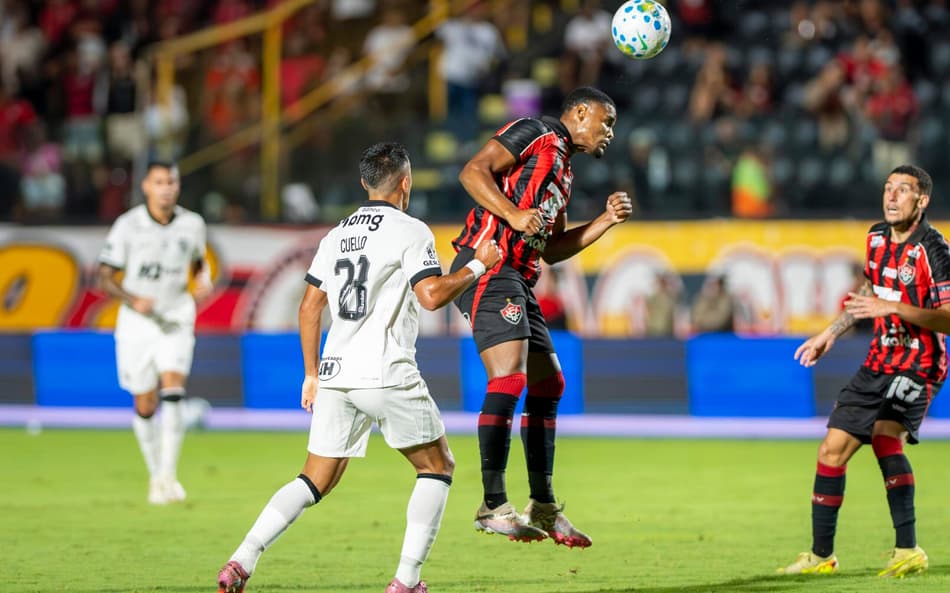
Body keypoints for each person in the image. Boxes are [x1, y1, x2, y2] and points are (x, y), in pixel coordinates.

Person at [216, 142, 503, 593]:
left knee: (314, 479)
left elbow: (310, 307)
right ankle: (407, 581)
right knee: (437, 466)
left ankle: (240, 560)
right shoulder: (410, 231)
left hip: (335, 372)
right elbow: (430, 297)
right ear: (405, 183)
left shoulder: (336, 235)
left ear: (364, 183)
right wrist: (477, 266)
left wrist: (311, 374)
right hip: (385, 369)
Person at [448, 86, 633, 547]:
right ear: (581, 112)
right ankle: (493, 504)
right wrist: (511, 214)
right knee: (509, 380)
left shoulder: (564, 171)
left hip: (519, 276)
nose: (610, 132)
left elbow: (551, 249)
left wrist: (604, 221)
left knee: (549, 384)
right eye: (606, 122)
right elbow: (472, 172)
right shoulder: (537, 132)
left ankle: (544, 507)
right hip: (488, 264)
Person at [779, 165, 947, 578]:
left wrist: (894, 308)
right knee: (831, 451)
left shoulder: (934, 250)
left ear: (921, 201)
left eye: (902, 190)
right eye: (888, 188)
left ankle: (907, 549)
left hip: (920, 362)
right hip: (880, 359)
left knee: (885, 436)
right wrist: (831, 332)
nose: (891, 197)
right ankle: (823, 557)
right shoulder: (875, 237)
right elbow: (871, 291)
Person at [97, 161, 213, 505]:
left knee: (174, 387)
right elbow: (104, 276)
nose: (166, 188)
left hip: (176, 316)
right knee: (145, 402)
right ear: (146, 187)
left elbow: (197, 261)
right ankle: (156, 476)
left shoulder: (192, 224)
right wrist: (133, 299)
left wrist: (202, 278)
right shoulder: (128, 226)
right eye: (159, 182)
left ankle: (168, 476)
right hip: (137, 322)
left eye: (171, 182)